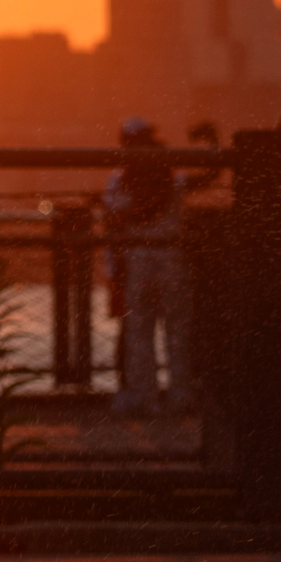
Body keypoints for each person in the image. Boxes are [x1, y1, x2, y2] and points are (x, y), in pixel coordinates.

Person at [104, 116, 188, 416]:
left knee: (142, 332)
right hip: (167, 259)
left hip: (141, 260)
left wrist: (114, 268)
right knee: (174, 332)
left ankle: (148, 399)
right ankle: (178, 397)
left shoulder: (120, 180)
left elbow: (114, 220)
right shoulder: (170, 174)